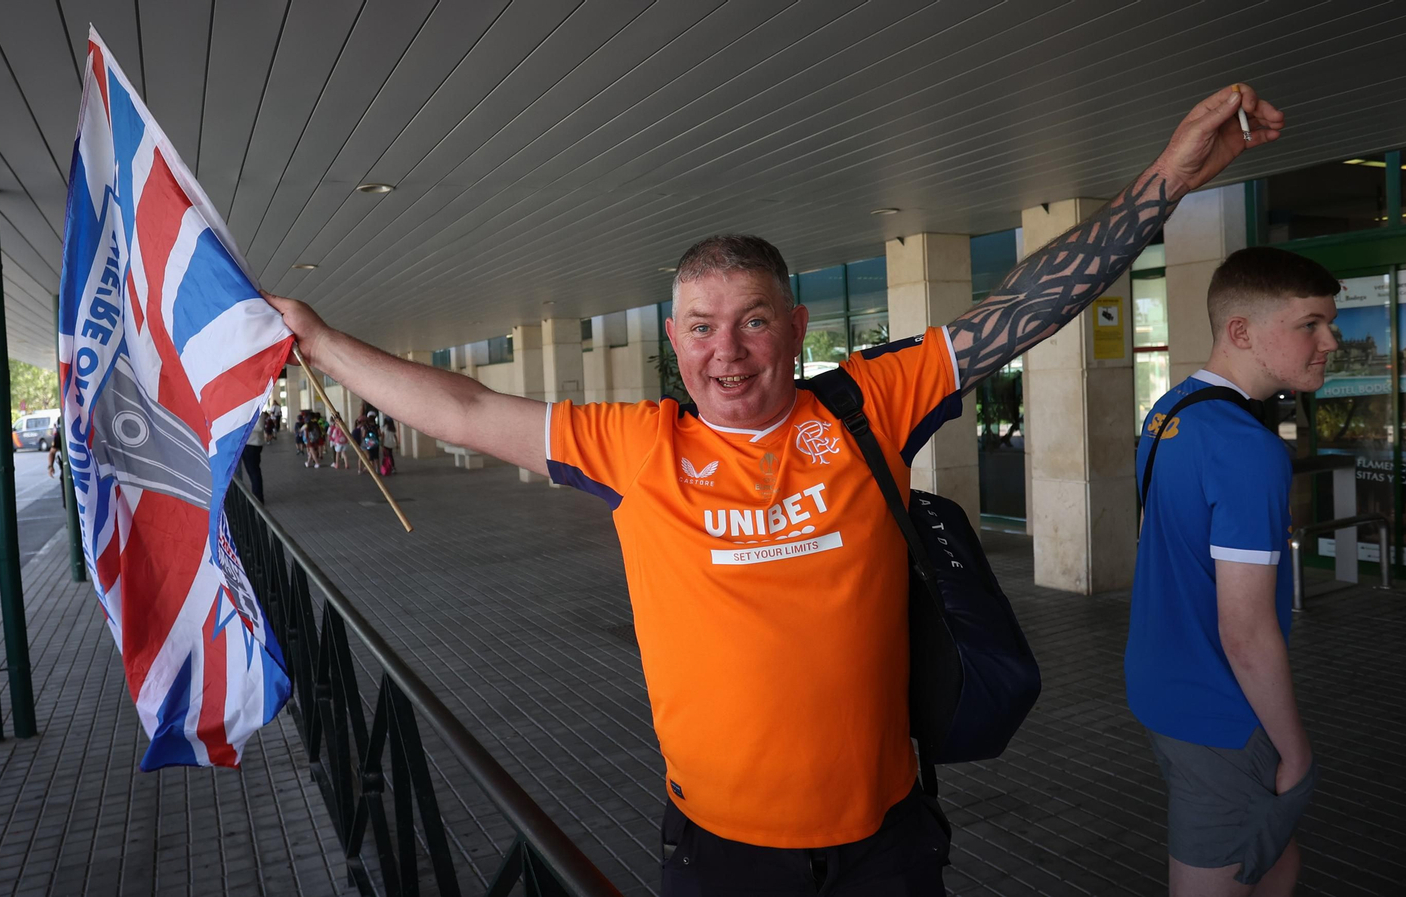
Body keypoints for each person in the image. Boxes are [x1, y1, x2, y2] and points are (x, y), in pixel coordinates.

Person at [265, 84, 1284, 896]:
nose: (725, 351)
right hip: (720, 854)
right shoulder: (635, 444)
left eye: (752, 321)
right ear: (672, 341)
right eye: (700, 326)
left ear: (795, 330)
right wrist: (319, 341)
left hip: (886, 841)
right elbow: (463, 408)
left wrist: (1167, 177)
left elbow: (1028, 306)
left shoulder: (867, 406)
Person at [1128, 246, 1339, 897]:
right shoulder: (1248, 449)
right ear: (1241, 330)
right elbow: (1245, 631)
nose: (1330, 341)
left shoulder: (1169, 412)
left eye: (1331, 322)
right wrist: (1295, 748)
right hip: (1219, 709)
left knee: (1275, 856)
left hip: (1160, 683)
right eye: (1309, 324)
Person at [243, 411, 269, 501]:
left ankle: (258, 497)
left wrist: (244, 426)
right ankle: (256, 495)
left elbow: (259, 427)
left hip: (253, 445)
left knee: (254, 472)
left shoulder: (257, 411)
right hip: (246, 444)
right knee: (251, 472)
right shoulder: (247, 410)